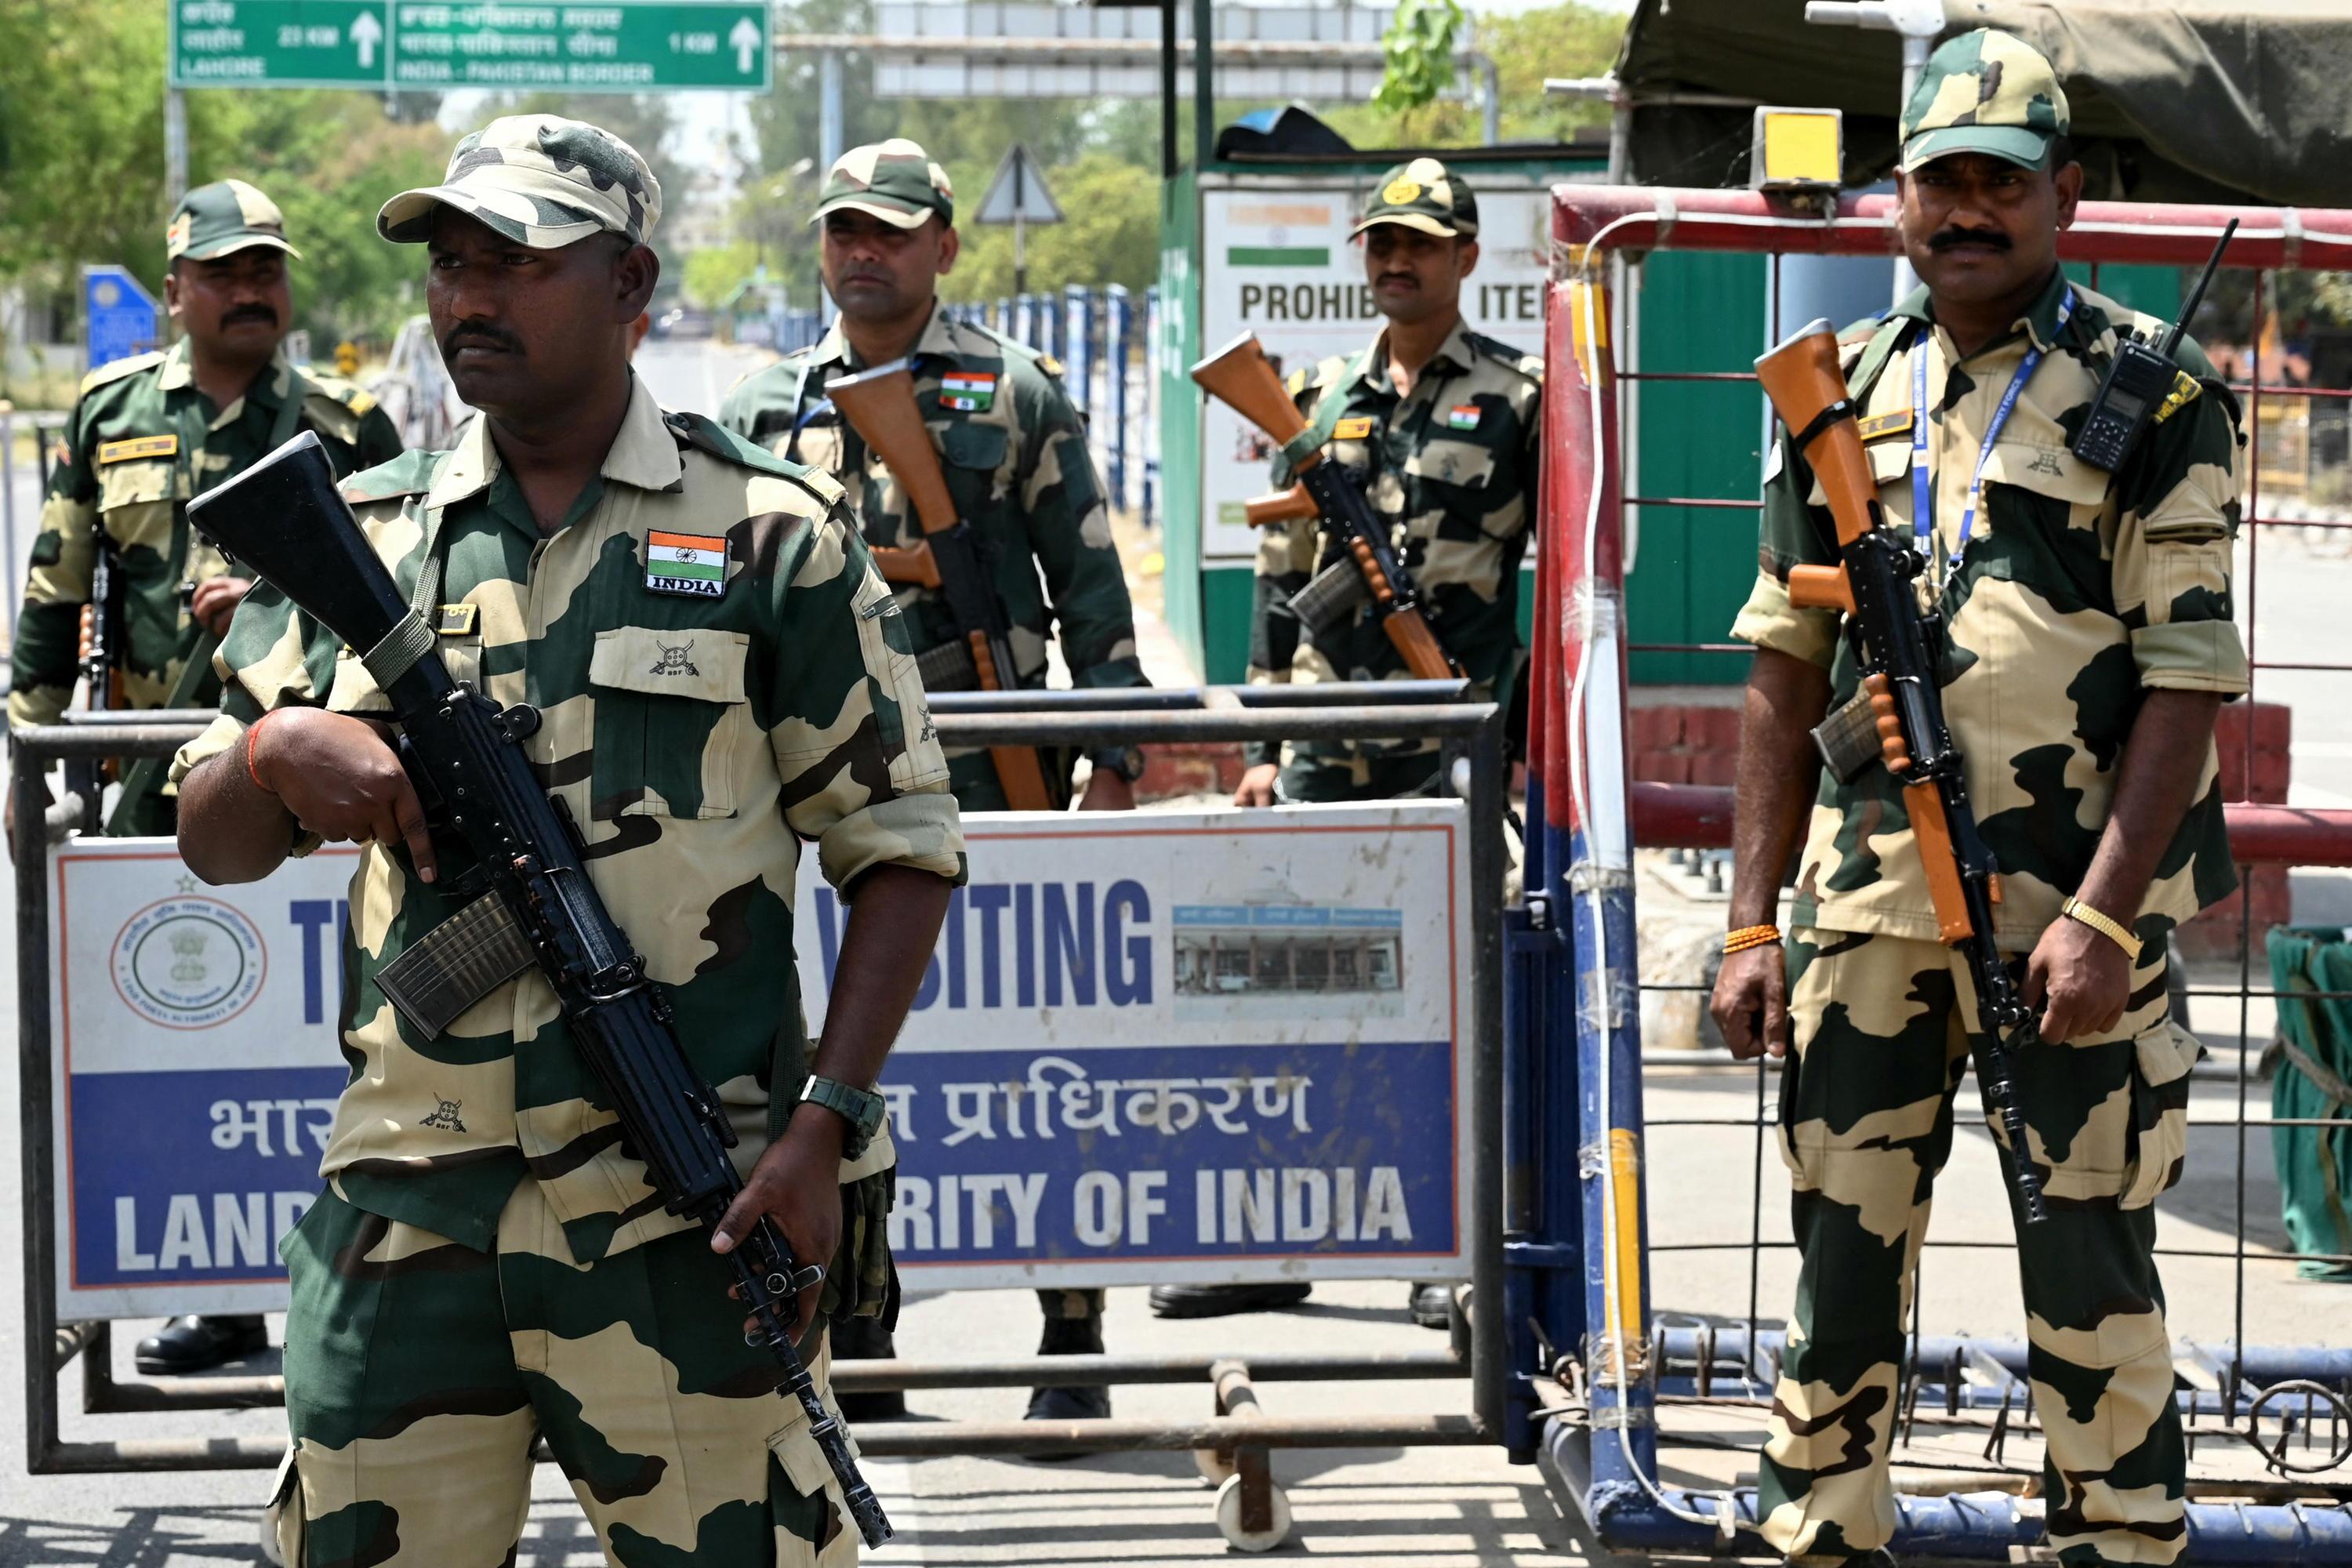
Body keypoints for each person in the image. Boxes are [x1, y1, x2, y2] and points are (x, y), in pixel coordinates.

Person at [170, 116, 960, 1565]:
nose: (469, 297)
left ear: (630, 284)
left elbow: (901, 847)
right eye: (450, 265)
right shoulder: (367, 535)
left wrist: (823, 1129)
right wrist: (276, 752)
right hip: (411, 1215)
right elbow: (213, 844)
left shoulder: (773, 535)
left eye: (517, 264)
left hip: (688, 1208)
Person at [1709, 30, 2241, 1567]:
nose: (1966, 211)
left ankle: (2117, 1545)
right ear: (1897, 198)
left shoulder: (2155, 395)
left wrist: (2104, 918)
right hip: (1871, 911)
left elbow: (2189, 677)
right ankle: (1823, 1531)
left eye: (2001, 184)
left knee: (2092, 1280)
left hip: (2072, 929)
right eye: (1940, 180)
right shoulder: (1840, 393)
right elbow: (1782, 665)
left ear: (2063, 196)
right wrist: (1749, 924)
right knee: (1839, 1272)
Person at [719, 136, 1149, 1430]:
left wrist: (1113, 765)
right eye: (845, 228)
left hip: (984, 780)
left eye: (893, 232)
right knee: (839, 1060)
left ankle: (1071, 1333)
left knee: (1037, 1058)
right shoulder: (762, 406)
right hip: (806, 788)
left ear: (944, 248)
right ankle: (866, 1332)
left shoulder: (1015, 392)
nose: (865, 251)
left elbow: (1092, 588)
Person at [7, 178, 401, 1377]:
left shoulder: (349, 424)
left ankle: (357, 1288)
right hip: (148, 784)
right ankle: (205, 1293)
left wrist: (282, 604)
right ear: (175, 291)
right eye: (223, 273)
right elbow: (53, 595)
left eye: (265, 269)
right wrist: (26, 752)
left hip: (317, 786)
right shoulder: (111, 412)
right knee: (163, 1044)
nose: (248, 290)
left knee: (327, 1040)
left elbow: (409, 595)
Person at [1189, 156, 1539, 1328]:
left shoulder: (1520, 397)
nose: (1397, 260)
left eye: (1420, 244)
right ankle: (1272, 1240)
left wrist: (1526, 737)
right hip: (1322, 748)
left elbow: (1561, 586)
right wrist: (1258, 741)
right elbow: (1278, 576)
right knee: (1291, 1003)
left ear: (1465, 259)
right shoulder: (1318, 398)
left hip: (1447, 747)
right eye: (1382, 242)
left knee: (1451, 1006)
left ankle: (1447, 1246)